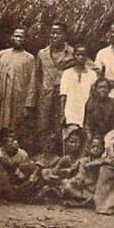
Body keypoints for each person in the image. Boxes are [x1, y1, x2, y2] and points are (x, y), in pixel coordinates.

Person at [0, 26, 36, 149]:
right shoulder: (1, 55)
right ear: (12, 37)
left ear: (25, 39)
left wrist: (28, 105)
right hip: (1, 100)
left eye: (21, 37)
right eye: (16, 36)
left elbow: (32, 83)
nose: (18, 39)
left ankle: (13, 154)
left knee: (15, 127)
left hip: (18, 100)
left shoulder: (29, 58)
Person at [34, 22, 76, 155]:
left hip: (64, 98)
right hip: (45, 97)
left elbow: (92, 69)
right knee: (43, 128)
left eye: (57, 33)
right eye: (52, 33)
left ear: (64, 35)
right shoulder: (42, 54)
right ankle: (44, 157)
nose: (54, 36)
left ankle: (62, 157)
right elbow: (36, 77)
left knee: (61, 128)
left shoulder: (73, 53)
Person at [0, 128, 43, 202]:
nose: (15, 142)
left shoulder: (22, 154)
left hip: (18, 182)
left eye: (16, 140)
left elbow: (24, 173)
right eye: (11, 141)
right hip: (2, 183)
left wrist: (19, 169)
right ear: (4, 143)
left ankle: (17, 193)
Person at [59, 44, 98, 132]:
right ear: (73, 56)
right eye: (78, 54)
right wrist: (62, 114)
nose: (80, 57)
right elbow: (63, 96)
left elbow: (94, 96)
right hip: (70, 112)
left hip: (85, 113)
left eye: (83, 55)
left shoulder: (92, 75)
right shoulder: (67, 73)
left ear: (87, 57)